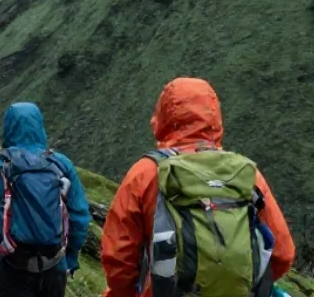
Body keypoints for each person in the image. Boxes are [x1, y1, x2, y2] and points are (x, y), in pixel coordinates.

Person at [101, 78, 295, 297]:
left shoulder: (145, 173)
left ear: (163, 116)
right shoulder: (246, 175)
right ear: (215, 116)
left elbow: (119, 259)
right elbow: (282, 254)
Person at [0, 102, 91, 297]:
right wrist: (70, 257)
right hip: (54, 266)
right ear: (40, 125)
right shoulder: (61, 164)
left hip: (11, 267)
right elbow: (80, 217)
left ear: (8, 126)